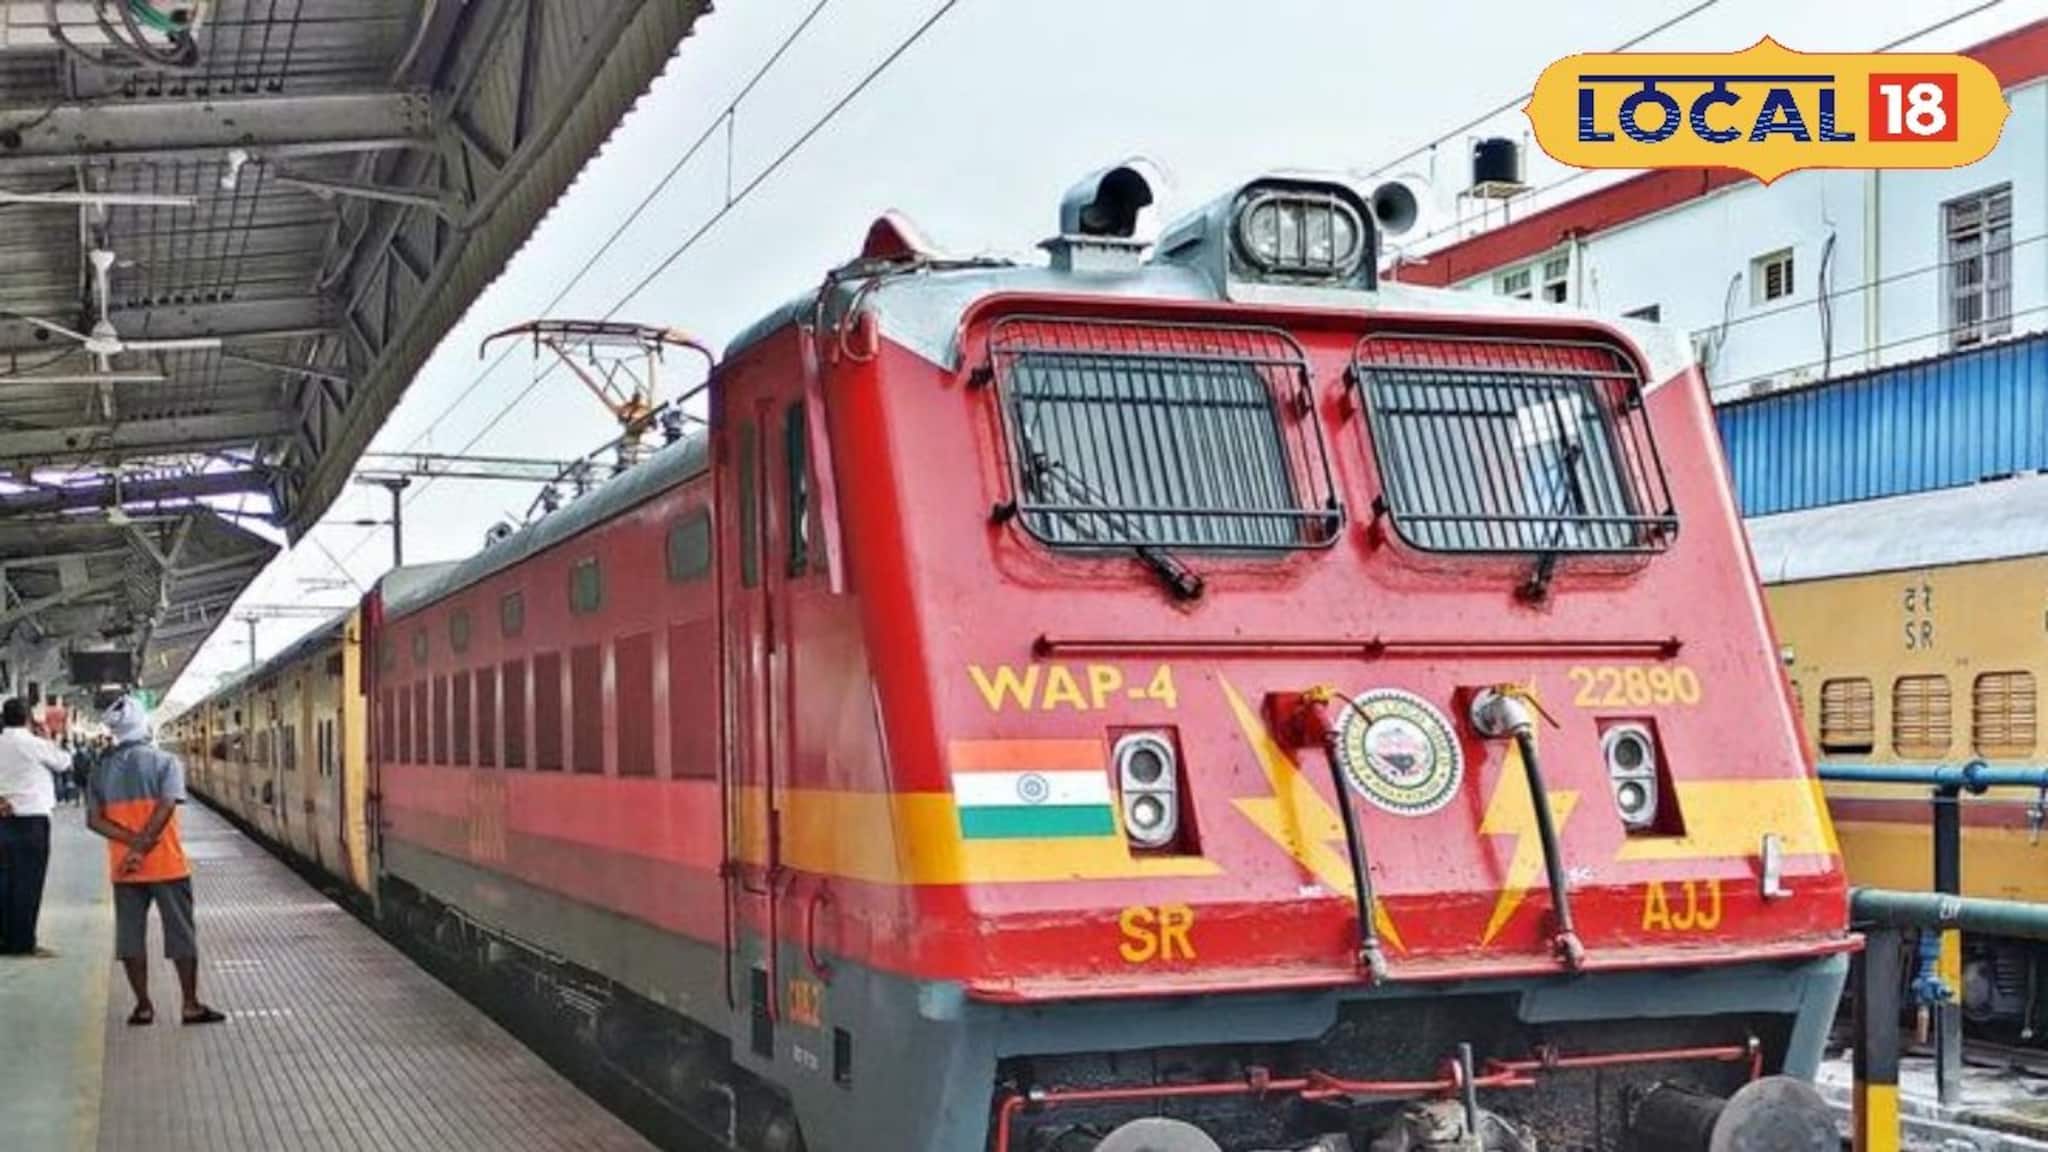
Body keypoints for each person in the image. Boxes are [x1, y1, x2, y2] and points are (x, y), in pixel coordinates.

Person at [84, 694, 225, 1026]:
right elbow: (165, 808)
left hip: (124, 869)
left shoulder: (100, 769)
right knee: (181, 933)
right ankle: (190, 1005)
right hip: (167, 865)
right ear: (144, 724)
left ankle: (144, 1006)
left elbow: (94, 820)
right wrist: (144, 845)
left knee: (130, 936)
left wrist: (131, 846)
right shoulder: (165, 763)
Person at [0, 697, 72, 957]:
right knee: (28, 882)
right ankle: (22, 943)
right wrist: (48, 736)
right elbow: (64, 762)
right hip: (31, 822)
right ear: (29, 718)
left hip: (3, 820)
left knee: (4, 881)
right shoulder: (33, 743)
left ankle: (4, 939)